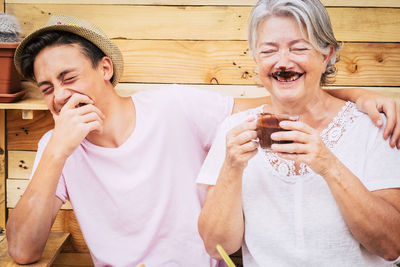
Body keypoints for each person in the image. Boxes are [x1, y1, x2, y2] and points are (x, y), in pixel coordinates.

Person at [6, 13, 399, 267]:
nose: (59, 96)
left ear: (105, 68)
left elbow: (281, 98)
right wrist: (56, 150)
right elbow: (22, 252)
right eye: (47, 87)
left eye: (69, 78)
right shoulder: (56, 149)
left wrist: (356, 98)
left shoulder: (175, 107)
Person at [197, 0, 400, 266]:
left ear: (326, 55)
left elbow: (392, 245)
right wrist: (232, 168)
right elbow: (216, 246)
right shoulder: (234, 130)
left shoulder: (371, 127)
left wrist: (328, 165)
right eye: (269, 51)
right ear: (256, 59)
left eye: (299, 48)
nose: (283, 62)